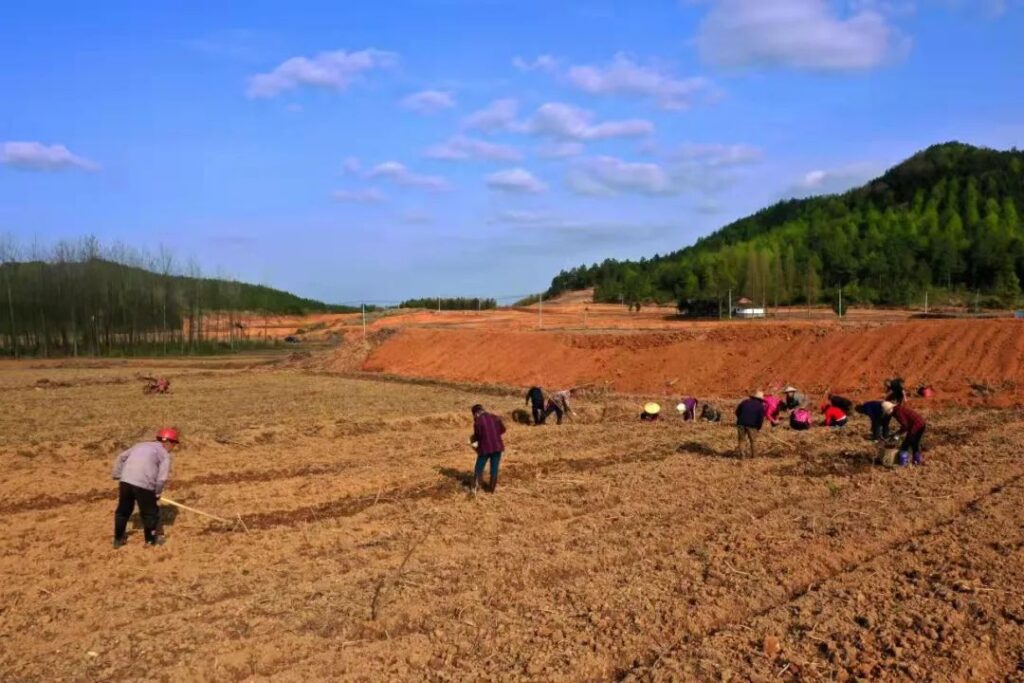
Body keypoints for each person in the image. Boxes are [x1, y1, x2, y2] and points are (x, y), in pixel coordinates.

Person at [111, 428, 179, 548]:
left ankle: (118, 539)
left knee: (123, 511)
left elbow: (121, 457)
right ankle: (151, 541)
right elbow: (162, 479)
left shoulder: (140, 445)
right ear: (168, 442)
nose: (173, 447)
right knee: (150, 514)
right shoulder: (164, 455)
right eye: (174, 444)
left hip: (126, 481)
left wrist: (118, 475)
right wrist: (157, 493)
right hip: (145, 485)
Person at [470, 404, 506, 493]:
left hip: (485, 448)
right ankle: (491, 489)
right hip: (497, 446)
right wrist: (494, 434)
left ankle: (475, 487)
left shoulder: (478, 421)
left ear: (476, 413)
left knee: (479, 467)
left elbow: (478, 436)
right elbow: (503, 429)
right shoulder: (495, 417)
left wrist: (473, 442)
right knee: (494, 468)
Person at [883, 400, 926, 466]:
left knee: (905, 445)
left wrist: (897, 434)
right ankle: (917, 461)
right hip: (921, 424)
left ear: (889, 410)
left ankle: (903, 463)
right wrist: (897, 433)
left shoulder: (897, 412)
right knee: (914, 444)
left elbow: (905, 426)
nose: (887, 414)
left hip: (916, 426)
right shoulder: (898, 409)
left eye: (886, 412)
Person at [735, 391, 766, 458]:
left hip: (741, 423)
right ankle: (754, 456)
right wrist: (758, 427)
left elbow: (737, 412)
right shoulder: (760, 406)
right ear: (760, 399)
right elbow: (760, 418)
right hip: (752, 425)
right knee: (753, 441)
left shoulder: (745, 402)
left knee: (741, 440)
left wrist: (741, 418)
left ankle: (742, 455)